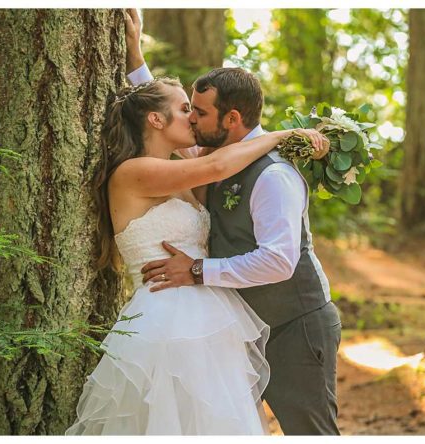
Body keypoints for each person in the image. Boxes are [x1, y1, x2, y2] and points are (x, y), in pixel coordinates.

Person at [66, 72, 329, 434]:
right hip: (166, 318)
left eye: (196, 111)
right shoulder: (134, 171)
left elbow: (205, 156)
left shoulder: (180, 171)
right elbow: (216, 165)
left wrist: (137, 59)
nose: (192, 117)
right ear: (157, 120)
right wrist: (281, 136)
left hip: (213, 319)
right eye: (186, 109)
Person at [125, 9, 343, 435]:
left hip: (293, 326)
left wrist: (196, 270)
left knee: (310, 432)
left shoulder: (274, 176)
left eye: (200, 113)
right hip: (240, 330)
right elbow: (163, 124)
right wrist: (135, 56)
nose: (191, 120)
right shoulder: (210, 157)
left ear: (232, 119)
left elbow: (278, 262)